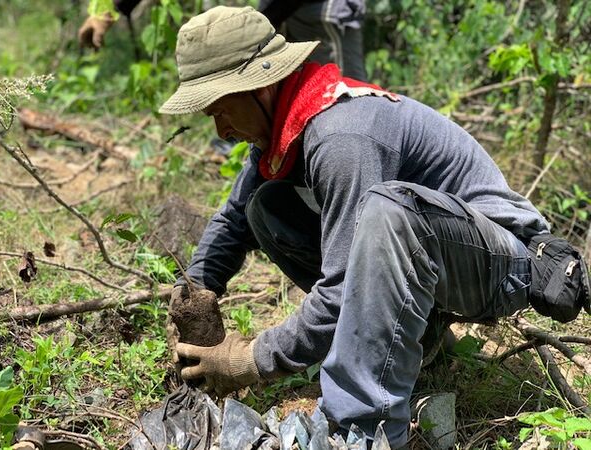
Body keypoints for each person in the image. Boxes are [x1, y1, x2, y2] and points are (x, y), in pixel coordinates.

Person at [160, 6, 549, 448]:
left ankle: (366, 429)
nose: (221, 129)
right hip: (436, 250)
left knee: (385, 214)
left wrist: (250, 359)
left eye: (222, 110)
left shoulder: (342, 136)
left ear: (261, 87)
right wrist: (193, 287)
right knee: (265, 207)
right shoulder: (289, 124)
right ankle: (422, 342)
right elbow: (233, 218)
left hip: (503, 262)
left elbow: (343, 287)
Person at [78, 0, 367, 80]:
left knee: (342, 97)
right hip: (279, 13)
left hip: (320, 11)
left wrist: (253, 30)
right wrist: (110, 9)